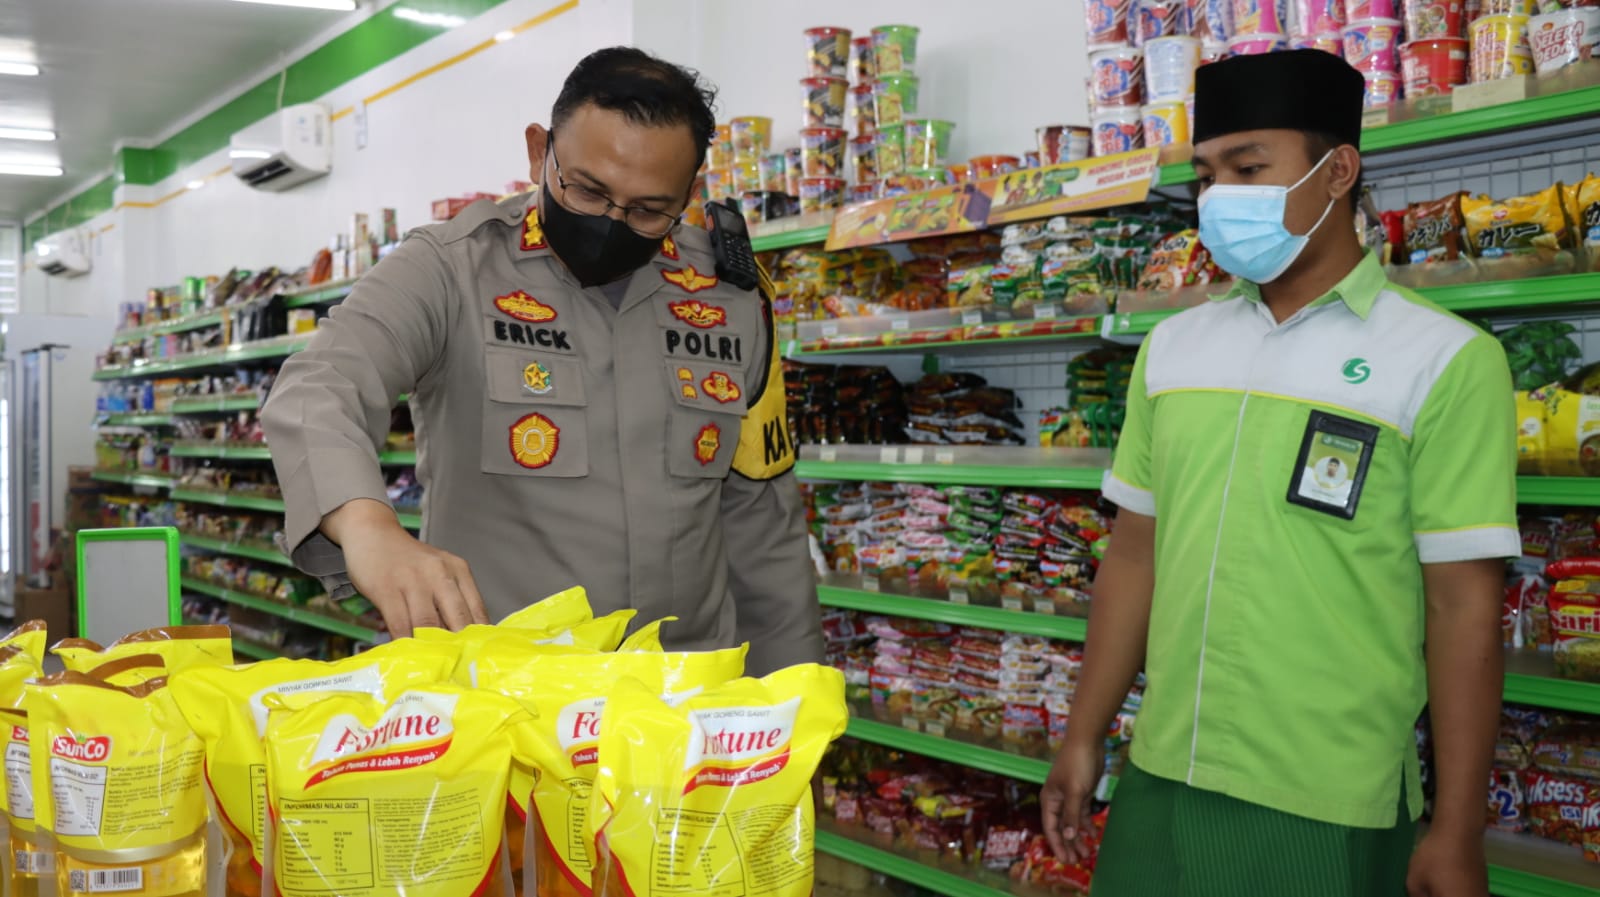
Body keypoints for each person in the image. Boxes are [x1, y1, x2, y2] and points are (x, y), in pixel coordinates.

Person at [1040, 50, 1515, 897]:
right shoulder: (1174, 350)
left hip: (1330, 799)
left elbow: (1463, 605)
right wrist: (1085, 733)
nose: (1221, 197)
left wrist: (1457, 828)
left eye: (1249, 167)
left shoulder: (1444, 361)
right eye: (1207, 176)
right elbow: (1135, 556)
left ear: (1338, 172)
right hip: (1163, 774)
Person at [260, 47, 822, 675]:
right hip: (505, 711)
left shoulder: (730, 300)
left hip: (683, 708)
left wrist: (798, 706)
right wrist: (371, 530)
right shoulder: (450, 269)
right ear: (538, 152)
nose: (612, 222)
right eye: (586, 189)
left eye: (647, 209)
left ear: (689, 195)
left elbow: (763, 528)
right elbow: (320, 385)